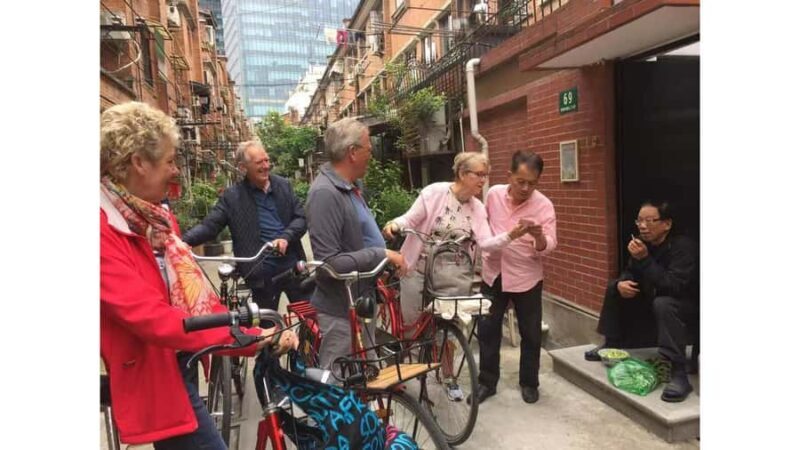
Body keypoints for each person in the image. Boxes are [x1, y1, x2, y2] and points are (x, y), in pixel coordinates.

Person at [100, 102, 297, 449]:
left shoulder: (156, 221)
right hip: (155, 371)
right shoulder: (105, 230)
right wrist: (244, 337)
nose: (176, 171)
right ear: (138, 163)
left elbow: (189, 296)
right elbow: (151, 317)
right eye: (170, 161)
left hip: (179, 360)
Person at [383, 151, 530, 400]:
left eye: (486, 175)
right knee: (410, 328)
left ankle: (448, 376)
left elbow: (486, 242)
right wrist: (395, 225)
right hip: (417, 268)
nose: (483, 180)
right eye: (479, 174)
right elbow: (411, 217)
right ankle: (407, 374)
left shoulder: (478, 208)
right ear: (462, 174)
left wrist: (510, 236)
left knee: (447, 328)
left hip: (451, 276)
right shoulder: (434, 193)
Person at [305, 117, 407, 373]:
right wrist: (380, 253)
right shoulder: (324, 194)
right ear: (352, 152)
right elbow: (328, 263)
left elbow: (356, 238)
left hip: (361, 300)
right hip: (340, 309)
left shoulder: (349, 187)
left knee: (366, 378)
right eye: (368, 150)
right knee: (339, 385)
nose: (371, 156)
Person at [584, 200, 699, 402]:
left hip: (685, 307)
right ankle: (611, 343)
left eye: (649, 221)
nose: (643, 226)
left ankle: (678, 372)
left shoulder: (683, 246)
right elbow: (631, 271)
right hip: (653, 299)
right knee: (615, 286)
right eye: (639, 221)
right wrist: (623, 282)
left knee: (664, 302)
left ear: (667, 224)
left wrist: (645, 259)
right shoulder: (641, 242)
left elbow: (674, 286)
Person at [470, 150, 557, 405]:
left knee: (531, 333)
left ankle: (529, 382)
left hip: (526, 277)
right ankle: (487, 382)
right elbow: (484, 229)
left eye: (532, 183)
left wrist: (539, 237)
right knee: (488, 330)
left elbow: (551, 244)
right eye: (521, 181)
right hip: (493, 274)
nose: (526, 187)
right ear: (509, 176)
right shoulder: (494, 195)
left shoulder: (544, 205)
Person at [183, 141, 310, 311]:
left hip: (293, 268)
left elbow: (300, 218)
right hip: (261, 275)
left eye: (267, 160)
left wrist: (286, 237)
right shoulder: (232, 197)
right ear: (243, 168)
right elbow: (210, 226)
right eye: (259, 163)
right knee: (267, 328)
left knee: (311, 319)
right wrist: (182, 241)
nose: (266, 166)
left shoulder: (283, 185)